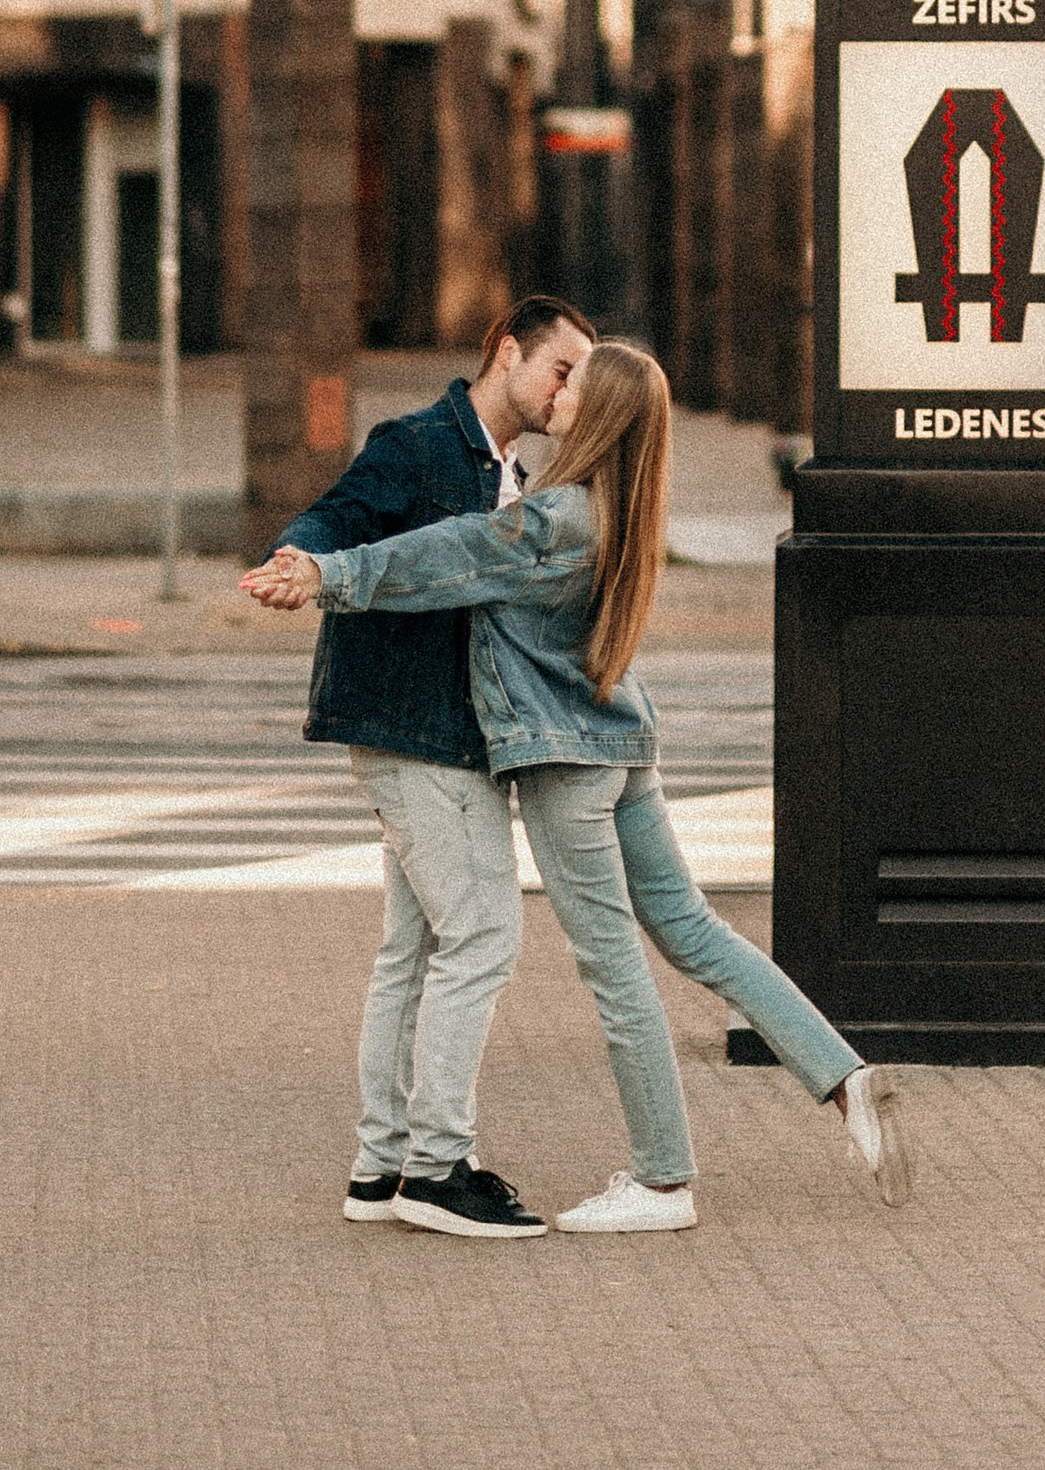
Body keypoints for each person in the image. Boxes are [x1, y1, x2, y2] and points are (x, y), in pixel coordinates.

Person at [247, 340, 912, 1238]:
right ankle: (844, 1076)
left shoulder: (556, 518)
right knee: (695, 933)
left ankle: (663, 1180)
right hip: (623, 741)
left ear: (594, 414)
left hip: (569, 764)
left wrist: (332, 574)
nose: (558, 391)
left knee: (614, 968)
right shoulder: (622, 508)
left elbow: (452, 556)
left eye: (575, 383)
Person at [271, 294, 597, 1243]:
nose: (569, 391)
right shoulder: (417, 444)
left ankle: (381, 1167)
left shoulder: (514, 472)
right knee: (485, 936)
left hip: (442, 733)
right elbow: (342, 514)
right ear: (507, 354)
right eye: (561, 369)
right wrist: (300, 554)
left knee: (413, 950)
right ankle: (437, 1165)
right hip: (412, 729)